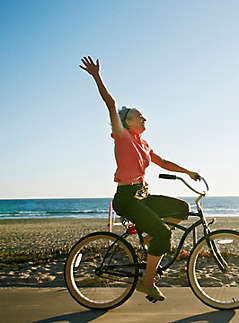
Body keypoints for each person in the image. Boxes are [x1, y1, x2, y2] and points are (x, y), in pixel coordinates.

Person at [79, 56, 200, 302]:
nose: (144, 118)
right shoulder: (122, 135)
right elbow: (111, 104)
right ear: (128, 122)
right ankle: (147, 282)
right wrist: (97, 76)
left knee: (182, 208)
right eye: (139, 116)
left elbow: (163, 162)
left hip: (142, 197)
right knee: (164, 236)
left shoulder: (143, 144)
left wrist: (188, 172)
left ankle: (148, 236)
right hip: (126, 198)